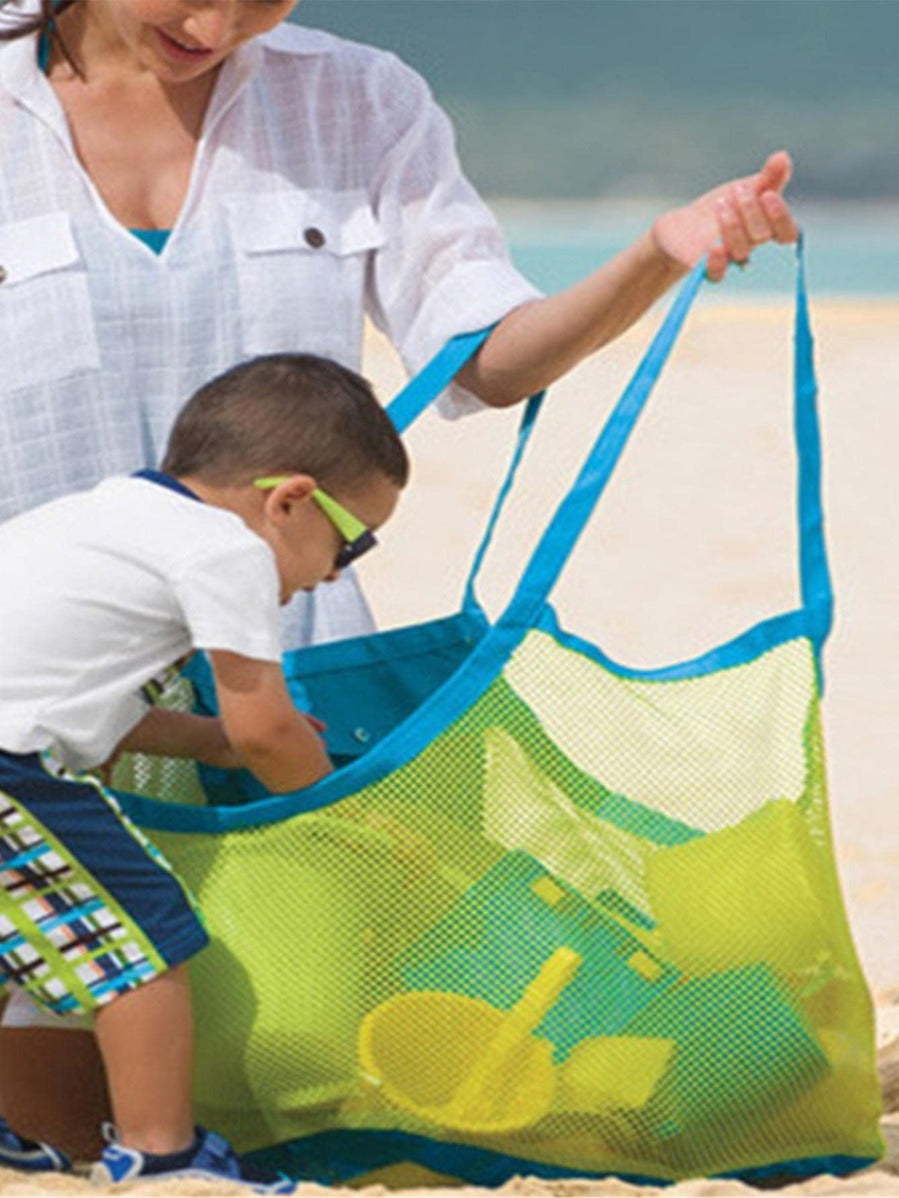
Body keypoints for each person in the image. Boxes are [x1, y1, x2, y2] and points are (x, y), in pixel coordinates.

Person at [0, 0, 797, 1169]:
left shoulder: (359, 98)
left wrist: (655, 253)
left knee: (307, 1086)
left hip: (285, 685)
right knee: (74, 1101)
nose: (219, 23)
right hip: (55, 709)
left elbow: (487, 355)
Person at [0, 351, 408, 1188]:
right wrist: (334, 810)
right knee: (142, 933)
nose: (335, 572)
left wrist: (211, 739)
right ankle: (162, 1154)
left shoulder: (112, 514)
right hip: (9, 766)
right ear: (289, 501)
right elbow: (268, 730)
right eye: (352, 542)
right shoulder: (227, 550)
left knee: (16, 944)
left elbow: (94, 711)